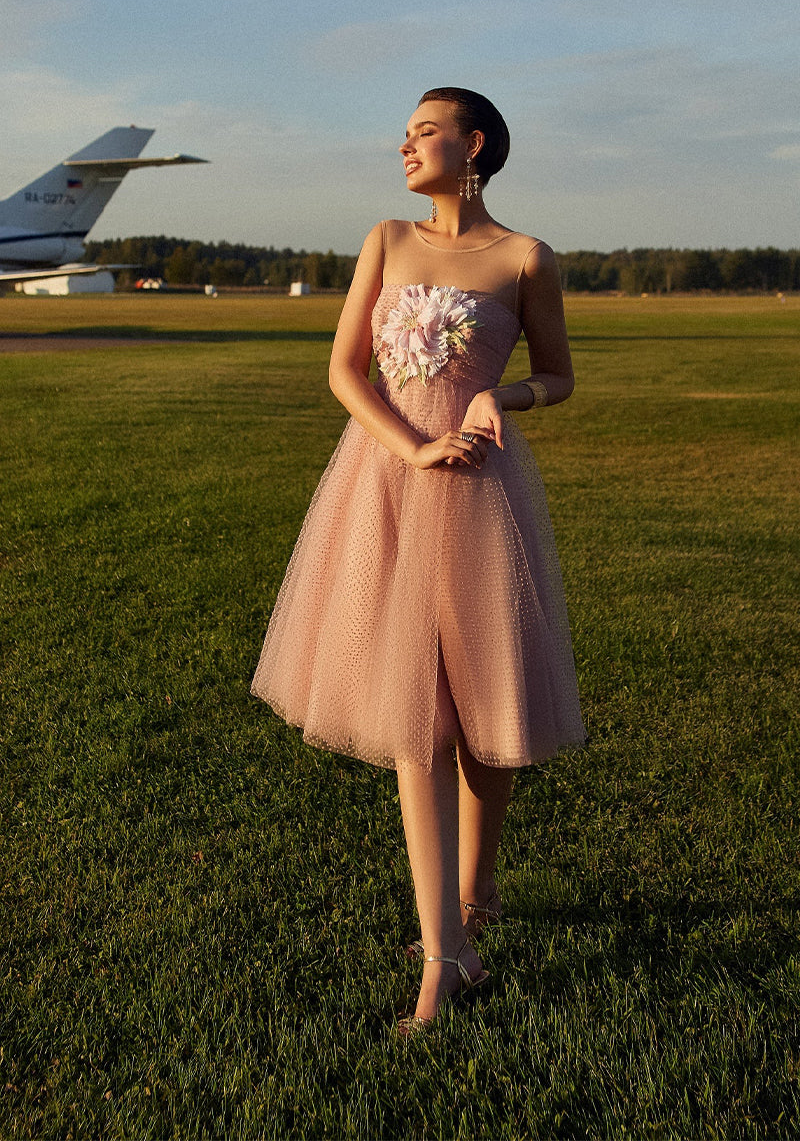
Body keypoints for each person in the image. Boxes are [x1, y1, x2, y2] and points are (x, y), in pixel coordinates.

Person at [251, 87, 585, 1034]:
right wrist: (412, 448)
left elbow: (560, 375)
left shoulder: (525, 258)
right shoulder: (387, 239)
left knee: (488, 700)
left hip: (483, 491)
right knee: (415, 717)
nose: (404, 145)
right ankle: (445, 955)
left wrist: (502, 402)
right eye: (404, 133)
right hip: (389, 484)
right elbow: (343, 371)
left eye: (425, 131)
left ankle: (476, 898)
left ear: (473, 144)